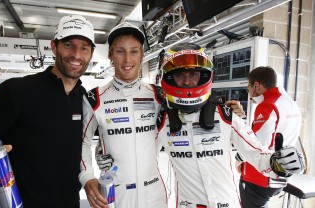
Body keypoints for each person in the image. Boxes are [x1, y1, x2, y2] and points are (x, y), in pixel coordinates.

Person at [96, 44, 304, 208]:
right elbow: (134, 147)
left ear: (203, 76)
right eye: (180, 75)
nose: (187, 82)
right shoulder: (162, 122)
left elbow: (258, 156)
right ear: (168, 78)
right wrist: (105, 154)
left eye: (193, 74)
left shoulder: (225, 115)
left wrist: (279, 163)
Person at [0, 15, 95, 208]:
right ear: (54, 46)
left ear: (91, 54)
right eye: (68, 45)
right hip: (23, 203)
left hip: (71, 202)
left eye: (84, 48)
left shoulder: (84, 98)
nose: (76, 54)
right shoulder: (16, 90)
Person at [80, 22, 167, 208]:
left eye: (134, 51)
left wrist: (228, 112)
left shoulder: (159, 95)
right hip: (114, 193)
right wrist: (87, 177)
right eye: (120, 51)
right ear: (110, 55)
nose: (127, 59)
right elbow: (82, 141)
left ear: (142, 56)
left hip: (154, 194)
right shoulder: (94, 98)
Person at [238, 66, 303, 208]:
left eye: (248, 87)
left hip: (260, 177)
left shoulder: (267, 105)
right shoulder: (290, 103)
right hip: (280, 174)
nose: (249, 93)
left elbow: (257, 144)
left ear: (256, 85)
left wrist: (239, 157)